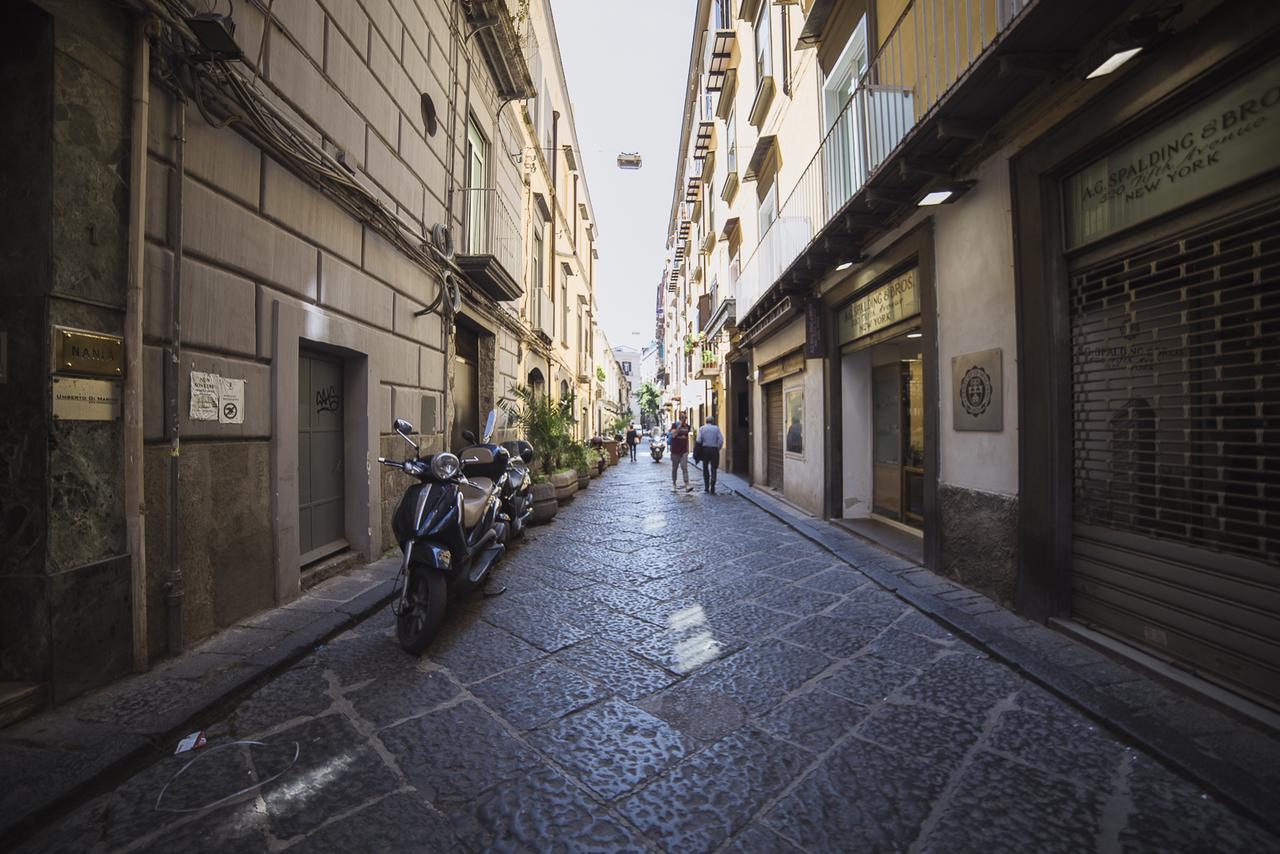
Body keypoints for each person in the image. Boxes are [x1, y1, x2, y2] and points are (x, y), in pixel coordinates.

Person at [696, 415, 724, 494]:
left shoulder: (702, 428)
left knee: (705, 468)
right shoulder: (716, 428)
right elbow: (721, 440)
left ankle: (706, 487)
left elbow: (698, 440)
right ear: (713, 421)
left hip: (705, 449)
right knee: (714, 468)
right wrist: (718, 448)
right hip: (714, 449)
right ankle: (713, 485)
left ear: (706, 421)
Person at [668, 416, 692, 492]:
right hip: (675, 451)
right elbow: (673, 435)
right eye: (682, 417)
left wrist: (687, 450)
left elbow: (687, 438)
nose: (684, 419)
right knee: (674, 468)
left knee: (684, 467)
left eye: (685, 417)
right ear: (679, 418)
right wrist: (679, 427)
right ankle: (674, 484)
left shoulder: (687, 426)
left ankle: (687, 485)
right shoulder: (674, 425)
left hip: (684, 451)